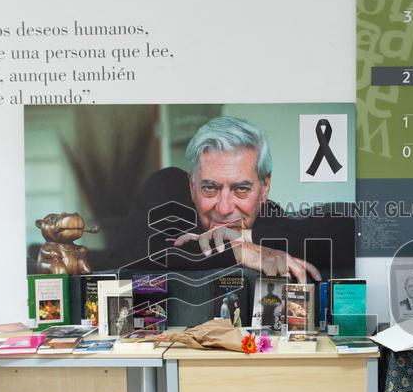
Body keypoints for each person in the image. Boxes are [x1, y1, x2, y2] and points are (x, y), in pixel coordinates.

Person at [120, 116, 341, 283]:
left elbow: (349, 231)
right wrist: (238, 250)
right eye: (209, 188)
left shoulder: (264, 214)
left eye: (241, 189)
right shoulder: (169, 189)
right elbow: (134, 252)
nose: (225, 208)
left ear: (265, 188)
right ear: (192, 186)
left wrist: (247, 236)